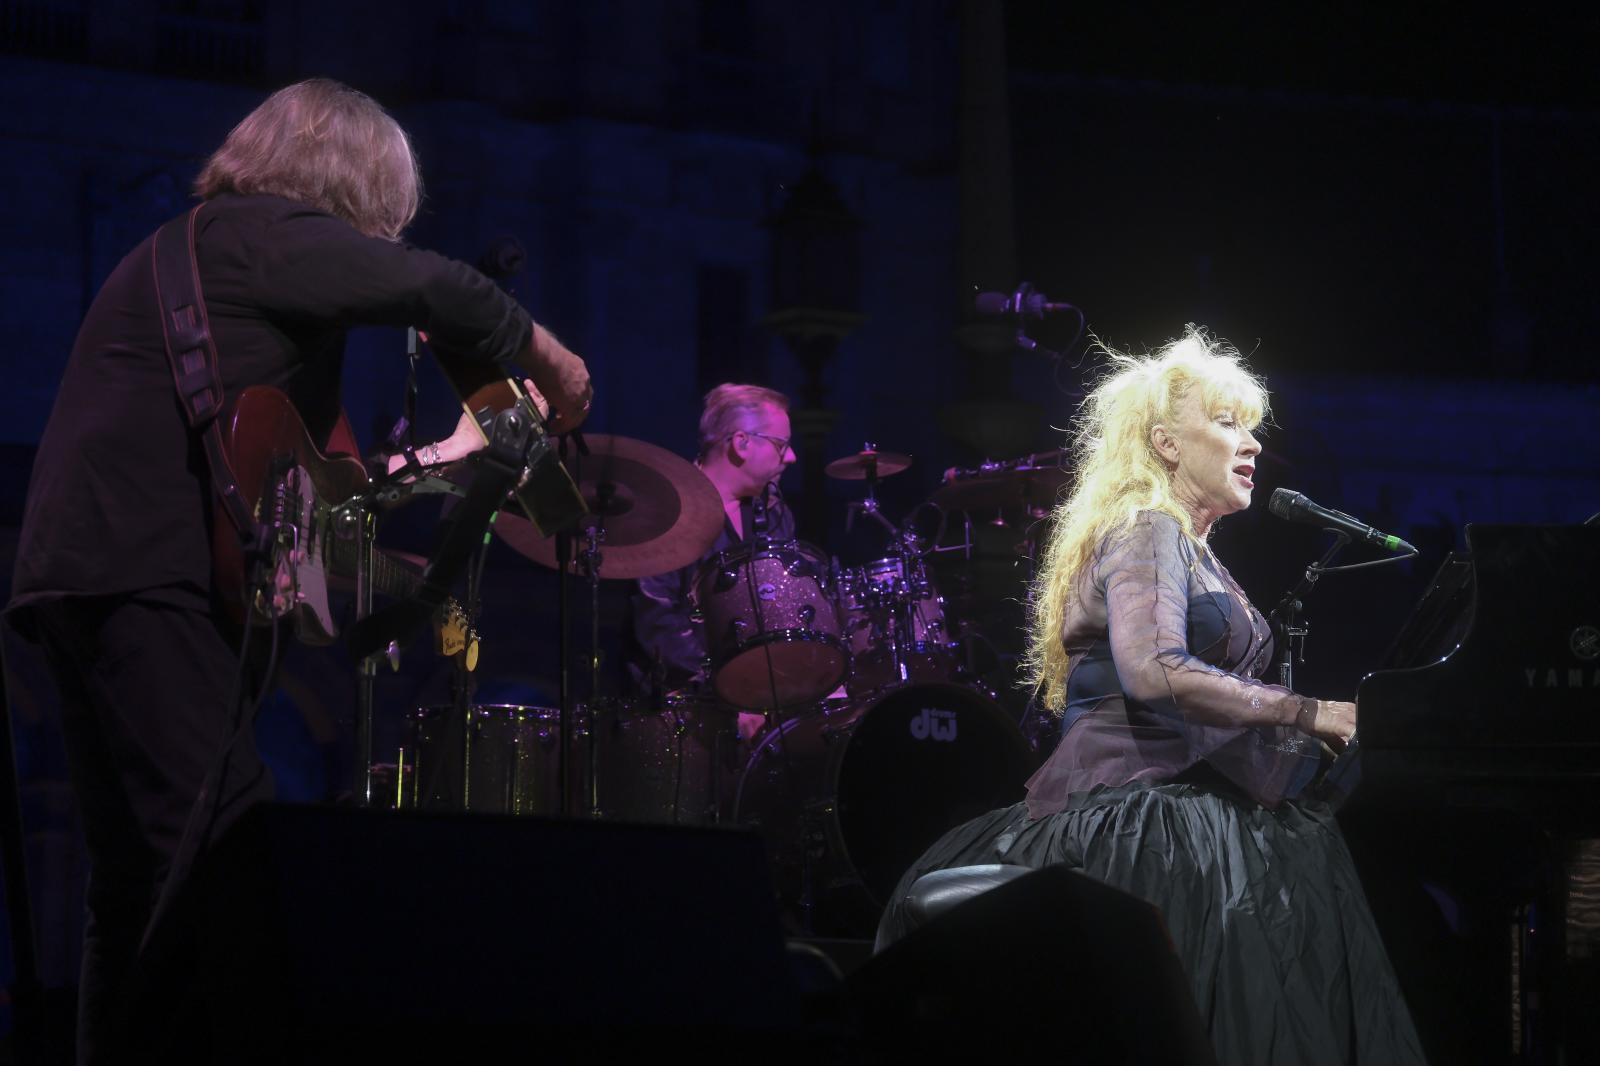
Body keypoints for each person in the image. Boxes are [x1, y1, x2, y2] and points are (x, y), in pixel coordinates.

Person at [6, 78, 592, 1063]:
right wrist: (551, 358)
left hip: (93, 569)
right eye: (386, 216)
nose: (388, 240)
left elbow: (327, 489)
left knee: (143, 881)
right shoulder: (258, 232)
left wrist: (451, 458)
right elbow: (447, 292)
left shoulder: (236, 280)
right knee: (229, 853)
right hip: (144, 570)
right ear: (353, 181)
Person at [875, 327, 1425, 1065]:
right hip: (1140, 811)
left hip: (1188, 801)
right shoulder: (1146, 528)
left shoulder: (1194, 551)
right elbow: (1154, 672)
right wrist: (1307, 712)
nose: (1251, 443)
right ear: (1166, 443)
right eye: (1226, 423)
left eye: (1252, 426)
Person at [627, 383, 798, 738]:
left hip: (762, 699)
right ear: (741, 443)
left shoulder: (775, 513)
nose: (792, 456)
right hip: (680, 710)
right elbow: (657, 619)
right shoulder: (670, 510)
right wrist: (725, 692)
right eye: (781, 445)